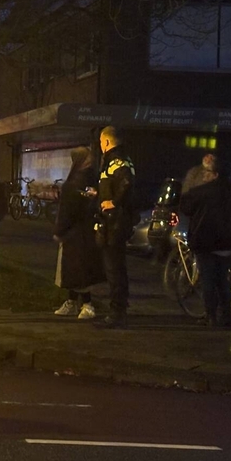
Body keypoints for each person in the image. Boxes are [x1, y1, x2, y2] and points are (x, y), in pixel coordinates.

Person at [179, 162, 231, 327]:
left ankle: (211, 315)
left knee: (208, 279)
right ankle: (226, 315)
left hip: (205, 240)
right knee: (223, 279)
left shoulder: (200, 192)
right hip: (227, 241)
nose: (204, 174)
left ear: (215, 175)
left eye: (207, 172)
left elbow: (185, 207)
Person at [53, 146, 105, 320]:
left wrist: (59, 230)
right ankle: (73, 301)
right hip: (79, 232)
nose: (90, 160)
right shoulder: (87, 180)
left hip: (78, 233)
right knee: (76, 269)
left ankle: (87, 304)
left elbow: (65, 211)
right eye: (87, 157)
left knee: (79, 269)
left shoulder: (75, 182)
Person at [96, 126, 136, 329]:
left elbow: (126, 183)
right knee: (115, 268)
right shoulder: (116, 161)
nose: (100, 146)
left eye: (100, 142)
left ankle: (117, 312)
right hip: (112, 221)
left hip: (115, 223)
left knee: (114, 269)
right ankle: (119, 308)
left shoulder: (117, 161)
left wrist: (114, 202)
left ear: (106, 142)